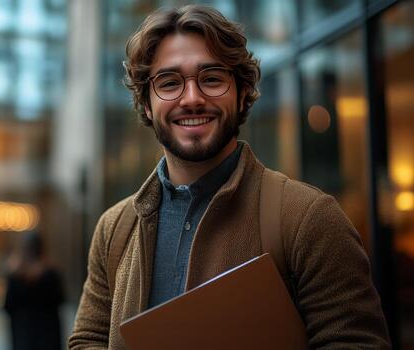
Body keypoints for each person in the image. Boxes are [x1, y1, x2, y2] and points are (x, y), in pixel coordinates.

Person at [69, 5, 391, 349]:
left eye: (211, 78)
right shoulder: (113, 229)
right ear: (147, 104)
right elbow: (87, 340)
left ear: (240, 94)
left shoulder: (309, 218)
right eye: (169, 82)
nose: (191, 98)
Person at [4, 232, 64, 350]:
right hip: (44, 331)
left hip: (25, 330)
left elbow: (8, 304)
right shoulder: (51, 272)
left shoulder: (16, 273)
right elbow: (60, 299)